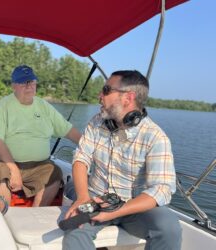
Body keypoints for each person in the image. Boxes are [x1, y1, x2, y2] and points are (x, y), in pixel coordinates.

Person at [62, 70, 181, 250]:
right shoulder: (96, 123)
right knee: (74, 230)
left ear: (128, 98)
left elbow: (162, 189)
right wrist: (83, 197)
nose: (99, 95)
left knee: (169, 226)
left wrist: (117, 211)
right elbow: (81, 158)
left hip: (134, 208)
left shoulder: (155, 137)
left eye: (106, 90)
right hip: (95, 201)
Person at [0, 65, 81, 210]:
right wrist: (13, 168)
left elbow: (69, 131)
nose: (29, 86)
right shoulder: (3, 106)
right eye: (23, 82)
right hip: (3, 161)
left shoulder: (44, 106)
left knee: (54, 173)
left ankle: (35, 215)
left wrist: (92, 147)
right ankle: (2, 217)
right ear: (14, 86)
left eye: (32, 82)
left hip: (37, 165)